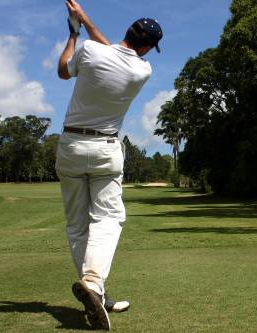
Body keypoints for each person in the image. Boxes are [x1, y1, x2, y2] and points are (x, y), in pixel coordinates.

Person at [55, 0, 163, 330]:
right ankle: (93, 282)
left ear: (127, 33)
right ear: (147, 47)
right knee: (109, 217)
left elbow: (62, 70)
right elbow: (117, 54)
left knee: (77, 225)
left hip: (70, 145)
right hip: (105, 148)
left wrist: (75, 31)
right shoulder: (142, 70)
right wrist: (86, 23)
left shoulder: (89, 51)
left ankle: (96, 293)